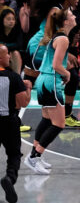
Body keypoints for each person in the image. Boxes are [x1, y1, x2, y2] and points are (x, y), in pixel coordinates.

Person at [26, 8, 77, 174]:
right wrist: (67, 73)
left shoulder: (57, 36)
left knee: (47, 120)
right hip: (50, 81)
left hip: (42, 80)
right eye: (71, 15)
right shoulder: (63, 39)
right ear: (65, 21)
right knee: (59, 124)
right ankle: (34, 157)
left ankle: (35, 156)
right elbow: (56, 65)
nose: (74, 16)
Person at [0, 44, 31, 202]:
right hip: (8, 121)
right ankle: (9, 178)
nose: (9, 57)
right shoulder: (13, 77)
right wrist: (28, 89)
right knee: (14, 154)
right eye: (6, 55)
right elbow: (23, 103)